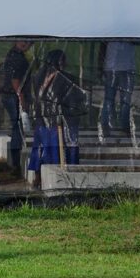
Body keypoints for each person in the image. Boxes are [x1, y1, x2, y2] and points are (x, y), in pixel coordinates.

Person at [27, 50, 86, 189]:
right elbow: (72, 99)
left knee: (42, 148)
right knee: (57, 150)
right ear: (60, 62)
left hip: (42, 121)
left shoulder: (39, 76)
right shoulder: (62, 79)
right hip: (57, 121)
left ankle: (38, 177)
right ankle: (60, 178)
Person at [0, 40, 33, 167]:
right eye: (24, 41)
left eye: (29, 43)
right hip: (13, 96)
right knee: (17, 128)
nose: (26, 45)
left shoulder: (13, 54)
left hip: (10, 95)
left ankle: (15, 161)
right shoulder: (18, 58)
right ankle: (15, 162)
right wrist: (21, 98)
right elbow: (15, 80)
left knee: (16, 127)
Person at [99, 41, 137, 136]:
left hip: (114, 67)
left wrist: (100, 68)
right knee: (123, 101)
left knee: (111, 99)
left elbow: (102, 47)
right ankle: (121, 128)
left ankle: (108, 127)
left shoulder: (109, 36)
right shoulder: (130, 34)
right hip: (122, 67)